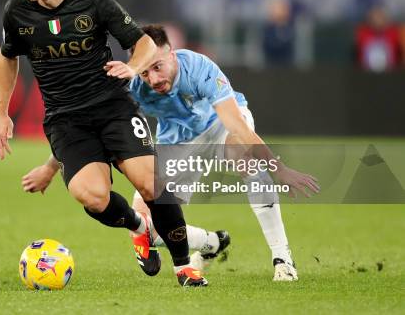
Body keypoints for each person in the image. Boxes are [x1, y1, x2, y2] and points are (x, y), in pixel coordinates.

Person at [23, 24, 320, 281]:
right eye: (146, 70)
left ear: (172, 55)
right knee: (145, 224)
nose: (153, 79)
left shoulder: (200, 69)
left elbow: (239, 128)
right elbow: (89, 128)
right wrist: (50, 167)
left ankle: (283, 259)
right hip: (175, 141)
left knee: (242, 155)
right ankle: (210, 244)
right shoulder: (131, 85)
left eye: (158, 67)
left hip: (219, 127)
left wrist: (279, 169)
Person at [0, 0, 207, 287]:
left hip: (113, 109)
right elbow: (7, 56)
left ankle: (184, 266)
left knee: (151, 183)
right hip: (66, 120)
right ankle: (140, 229)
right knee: (92, 196)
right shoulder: (16, 12)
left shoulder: (92, 1)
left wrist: (133, 68)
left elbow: (142, 44)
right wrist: (2, 111)